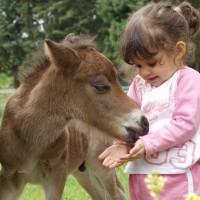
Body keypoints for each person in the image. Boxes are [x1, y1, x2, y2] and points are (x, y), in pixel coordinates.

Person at [98, 2, 200, 200]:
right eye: (138, 65)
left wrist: (147, 143)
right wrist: (121, 143)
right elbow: (127, 117)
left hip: (176, 176)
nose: (144, 72)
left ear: (178, 51)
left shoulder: (189, 80)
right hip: (141, 174)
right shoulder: (139, 85)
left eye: (151, 63)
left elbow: (185, 124)